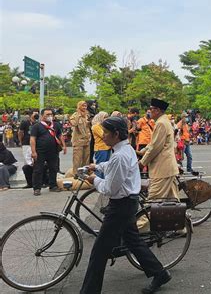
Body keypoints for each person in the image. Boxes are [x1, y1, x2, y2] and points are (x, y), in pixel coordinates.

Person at [80, 117, 170, 294]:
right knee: (133, 241)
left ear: (116, 134)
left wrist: (93, 179)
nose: (103, 136)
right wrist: (97, 166)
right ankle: (160, 273)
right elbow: (113, 168)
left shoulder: (120, 156)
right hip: (128, 203)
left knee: (99, 252)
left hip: (120, 206)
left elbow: (109, 189)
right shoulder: (125, 149)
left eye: (106, 133)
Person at [137, 99, 179, 229]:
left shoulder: (161, 123)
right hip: (168, 168)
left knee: (152, 201)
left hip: (162, 169)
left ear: (158, 110)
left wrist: (142, 162)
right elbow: (153, 144)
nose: (150, 111)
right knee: (173, 201)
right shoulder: (163, 121)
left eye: (152, 109)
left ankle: (137, 229)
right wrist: (141, 152)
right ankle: (181, 226)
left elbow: (156, 147)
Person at [30, 108, 67, 196]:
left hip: (53, 151)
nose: (49, 116)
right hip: (40, 151)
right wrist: (33, 151)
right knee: (38, 169)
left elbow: (60, 135)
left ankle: (53, 186)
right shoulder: (37, 126)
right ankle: (37, 188)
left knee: (53, 168)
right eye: (47, 114)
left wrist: (64, 145)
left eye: (51, 114)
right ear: (42, 116)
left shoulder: (56, 125)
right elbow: (32, 139)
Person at [18, 110, 39, 188]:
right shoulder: (25, 123)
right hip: (26, 143)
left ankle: (36, 181)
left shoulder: (37, 123)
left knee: (36, 162)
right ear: (31, 115)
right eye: (35, 113)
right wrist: (21, 141)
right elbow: (20, 132)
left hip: (36, 144)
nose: (36, 115)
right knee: (28, 163)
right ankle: (29, 182)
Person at [70, 101, 91, 174]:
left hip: (86, 140)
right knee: (77, 159)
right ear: (79, 106)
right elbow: (74, 124)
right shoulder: (75, 115)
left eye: (85, 106)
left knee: (86, 159)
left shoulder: (87, 115)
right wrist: (78, 115)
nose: (85, 107)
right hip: (78, 141)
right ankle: (76, 174)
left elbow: (88, 127)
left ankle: (84, 174)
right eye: (83, 106)